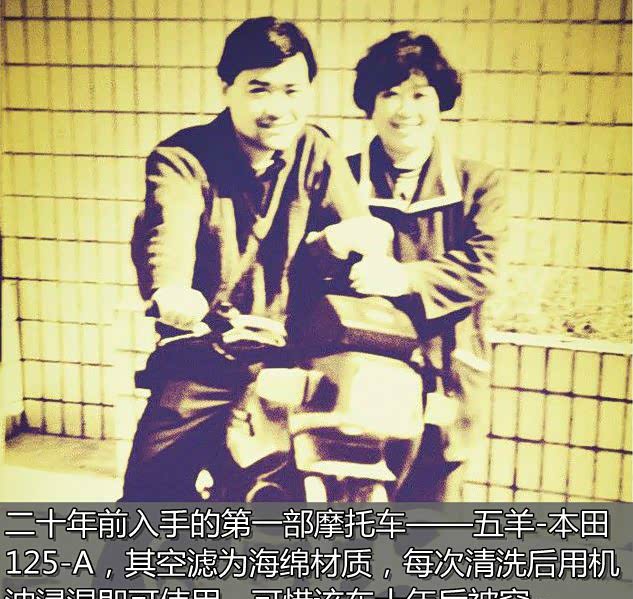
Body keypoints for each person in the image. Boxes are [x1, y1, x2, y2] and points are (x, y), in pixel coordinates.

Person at [123, 17, 389, 501]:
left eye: (292, 90)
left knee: (315, 492)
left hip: (293, 360)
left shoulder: (317, 151)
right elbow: (169, 228)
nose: (277, 108)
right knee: (150, 494)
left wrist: (356, 245)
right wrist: (173, 288)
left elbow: (354, 234)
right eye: (259, 89)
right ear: (226, 88)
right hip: (204, 354)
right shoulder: (182, 157)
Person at [347, 32, 507, 501]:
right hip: (359, 373)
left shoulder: (479, 184)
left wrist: (404, 277)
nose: (405, 110)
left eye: (420, 95)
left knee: (434, 519)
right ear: (370, 104)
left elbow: (482, 266)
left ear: (440, 103)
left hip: (446, 372)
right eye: (389, 93)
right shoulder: (340, 177)